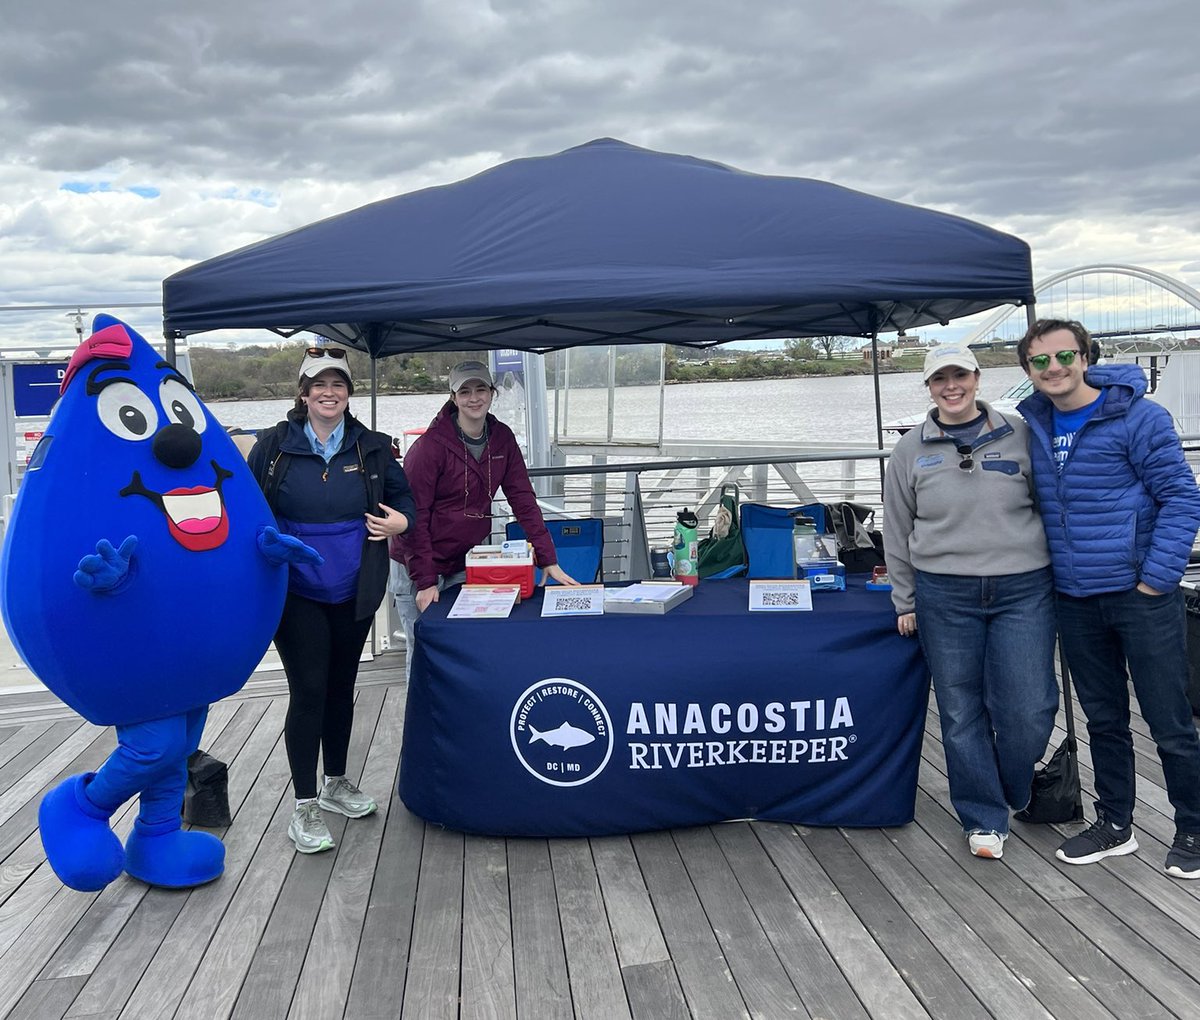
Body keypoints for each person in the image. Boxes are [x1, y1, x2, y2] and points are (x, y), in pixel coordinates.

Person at [1017, 319, 1200, 878]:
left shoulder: (1139, 417)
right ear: (1028, 369)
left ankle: (1192, 824)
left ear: (1086, 357)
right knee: (1104, 719)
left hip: (1139, 595)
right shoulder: (1033, 425)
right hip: (1074, 597)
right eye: (1040, 361)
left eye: (1065, 356)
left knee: (1169, 719)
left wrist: (1156, 578)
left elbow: (1182, 499)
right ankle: (1114, 822)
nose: (1054, 369)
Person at [883, 344, 1058, 860]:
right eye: (940, 379)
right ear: (929, 388)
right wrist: (904, 599)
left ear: (977, 379)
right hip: (944, 593)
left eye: (960, 375)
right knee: (960, 711)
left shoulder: (1020, 432)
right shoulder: (910, 450)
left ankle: (1011, 785)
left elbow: (1050, 507)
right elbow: (897, 529)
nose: (951, 386)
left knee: (1027, 707)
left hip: (1024, 588)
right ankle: (984, 817)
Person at [248, 345, 416, 855]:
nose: (328, 392)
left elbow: (403, 498)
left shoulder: (372, 446)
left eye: (338, 384)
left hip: (355, 587)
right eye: (318, 384)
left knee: (343, 687)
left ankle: (336, 781)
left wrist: (400, 522)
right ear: (304, 393)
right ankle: (304, 805)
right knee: (310, 689)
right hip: (295, 588)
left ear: (347, 393)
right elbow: (246, 506)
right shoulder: (273, 446)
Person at [391, 360, 578, 673]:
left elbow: (523, 500)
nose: (473, 397)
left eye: (481, 389)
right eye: (464, 391)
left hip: (465, 562)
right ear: (453, 397)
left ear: (492, 393)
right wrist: (424, 582)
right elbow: (414, 518)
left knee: (465, 647)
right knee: (424, 653)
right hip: (417, 564)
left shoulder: (502, 438)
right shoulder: (428, 449)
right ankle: (419, 722)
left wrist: (547, 558)